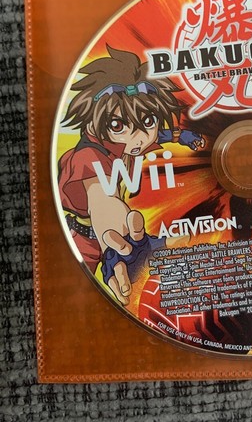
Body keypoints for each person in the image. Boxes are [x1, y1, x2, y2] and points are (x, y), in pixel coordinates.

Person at [58, 45, 204, 306]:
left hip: (110, 240)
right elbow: (102, 199)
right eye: (118, 125)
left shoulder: (129, 142)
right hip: (82, 241)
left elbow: (155, 136)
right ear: (96, 122)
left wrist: (181, 136)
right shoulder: (88, 156)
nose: (138, 138)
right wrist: (119, 242)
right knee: (76, 302)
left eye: (148, 121)